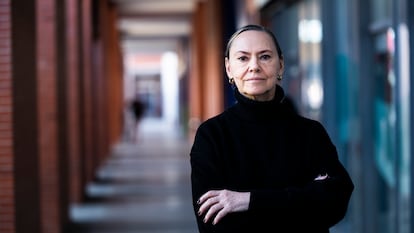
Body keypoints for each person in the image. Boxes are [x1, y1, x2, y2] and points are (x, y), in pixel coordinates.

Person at [189, 24, 354, 232]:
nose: (254, 66)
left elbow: (335, 202)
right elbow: (214, 224)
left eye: (265, 56)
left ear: (281, 65)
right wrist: (303, 199)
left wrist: (248, 200)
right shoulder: (212, 136)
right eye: (243, 58)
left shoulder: (310, 133)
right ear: (229, 68)